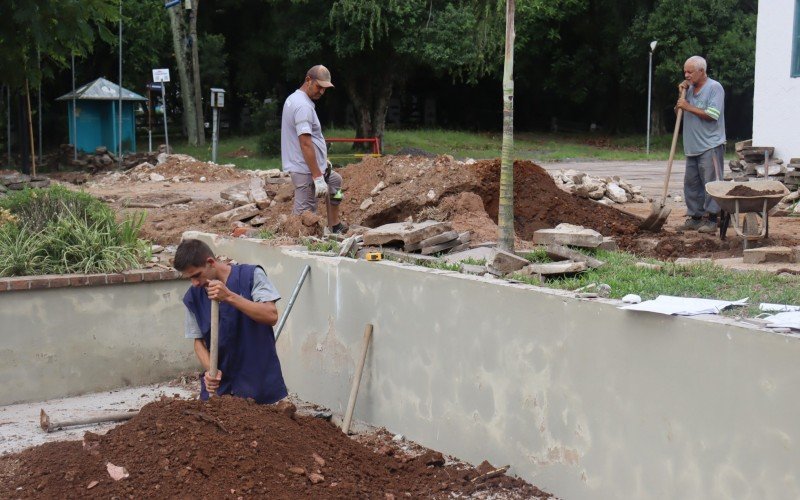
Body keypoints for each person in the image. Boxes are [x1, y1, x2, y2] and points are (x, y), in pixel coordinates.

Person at [174, 238, 288, 404]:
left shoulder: (251, 276)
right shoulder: (193, 297)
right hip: (220, 389)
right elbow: (198, 342)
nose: (195, 283)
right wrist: (210, 371)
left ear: (210, 262)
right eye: (189, 278)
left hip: (258, 385)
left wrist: (228, 296)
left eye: (197, 275)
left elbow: (270, 315)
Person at [280, 64, 346, 233]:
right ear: (308, 80)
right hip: (305, 171)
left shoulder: (295, 99)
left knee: (335, 182)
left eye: (325, 89)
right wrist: (317, 177)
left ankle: (334, 225)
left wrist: (322, 161)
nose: (321, 92)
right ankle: (297, 241)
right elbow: (305, 143)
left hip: (311, 166)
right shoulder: (303, 106)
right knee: (305, 215)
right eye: (319, 87)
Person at [676, 55, 726, 233]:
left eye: (690, 72)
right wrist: (681, 97)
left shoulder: (714, 88)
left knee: (711, 183)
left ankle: (713, 219)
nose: (686, 75)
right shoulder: (688, 90)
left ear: (701, 71)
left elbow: (713, 114)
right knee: (691, 183)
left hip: (710, 145)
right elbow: (679, 113)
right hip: (692, 146)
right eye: (685, 72)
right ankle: (695, 217)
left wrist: (687, 106)